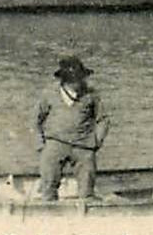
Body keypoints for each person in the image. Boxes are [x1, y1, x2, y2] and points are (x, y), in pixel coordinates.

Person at [33, 56, 108, 201]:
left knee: (87, 182)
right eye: (73, 80)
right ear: (64, 80)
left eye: (80, 78)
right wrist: (40, 144)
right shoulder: (49, 94)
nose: (78, 83)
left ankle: (86, 209)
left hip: (83, 145)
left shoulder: (92, 95)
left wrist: (97, 140)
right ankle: (48, 210)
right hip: (55, 142)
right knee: (48, 179)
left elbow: (103, 119)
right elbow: (35, 120)